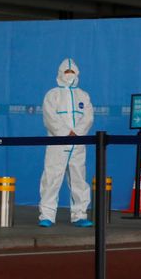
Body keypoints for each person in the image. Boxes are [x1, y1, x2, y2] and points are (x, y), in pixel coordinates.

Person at [38, 58, 94, 228]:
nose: (69, 75)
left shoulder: (83, 95)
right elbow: (50, 118)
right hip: (58, 144)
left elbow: (88, 117)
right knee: (52, 178)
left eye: (72, 72)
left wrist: (76, 133)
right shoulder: (52, 94)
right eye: (66, 72)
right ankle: (46, 215)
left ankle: (79, 215)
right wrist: (64, 133)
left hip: (78, 144)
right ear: (60, 73)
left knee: (79, 179)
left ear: (77, 73)